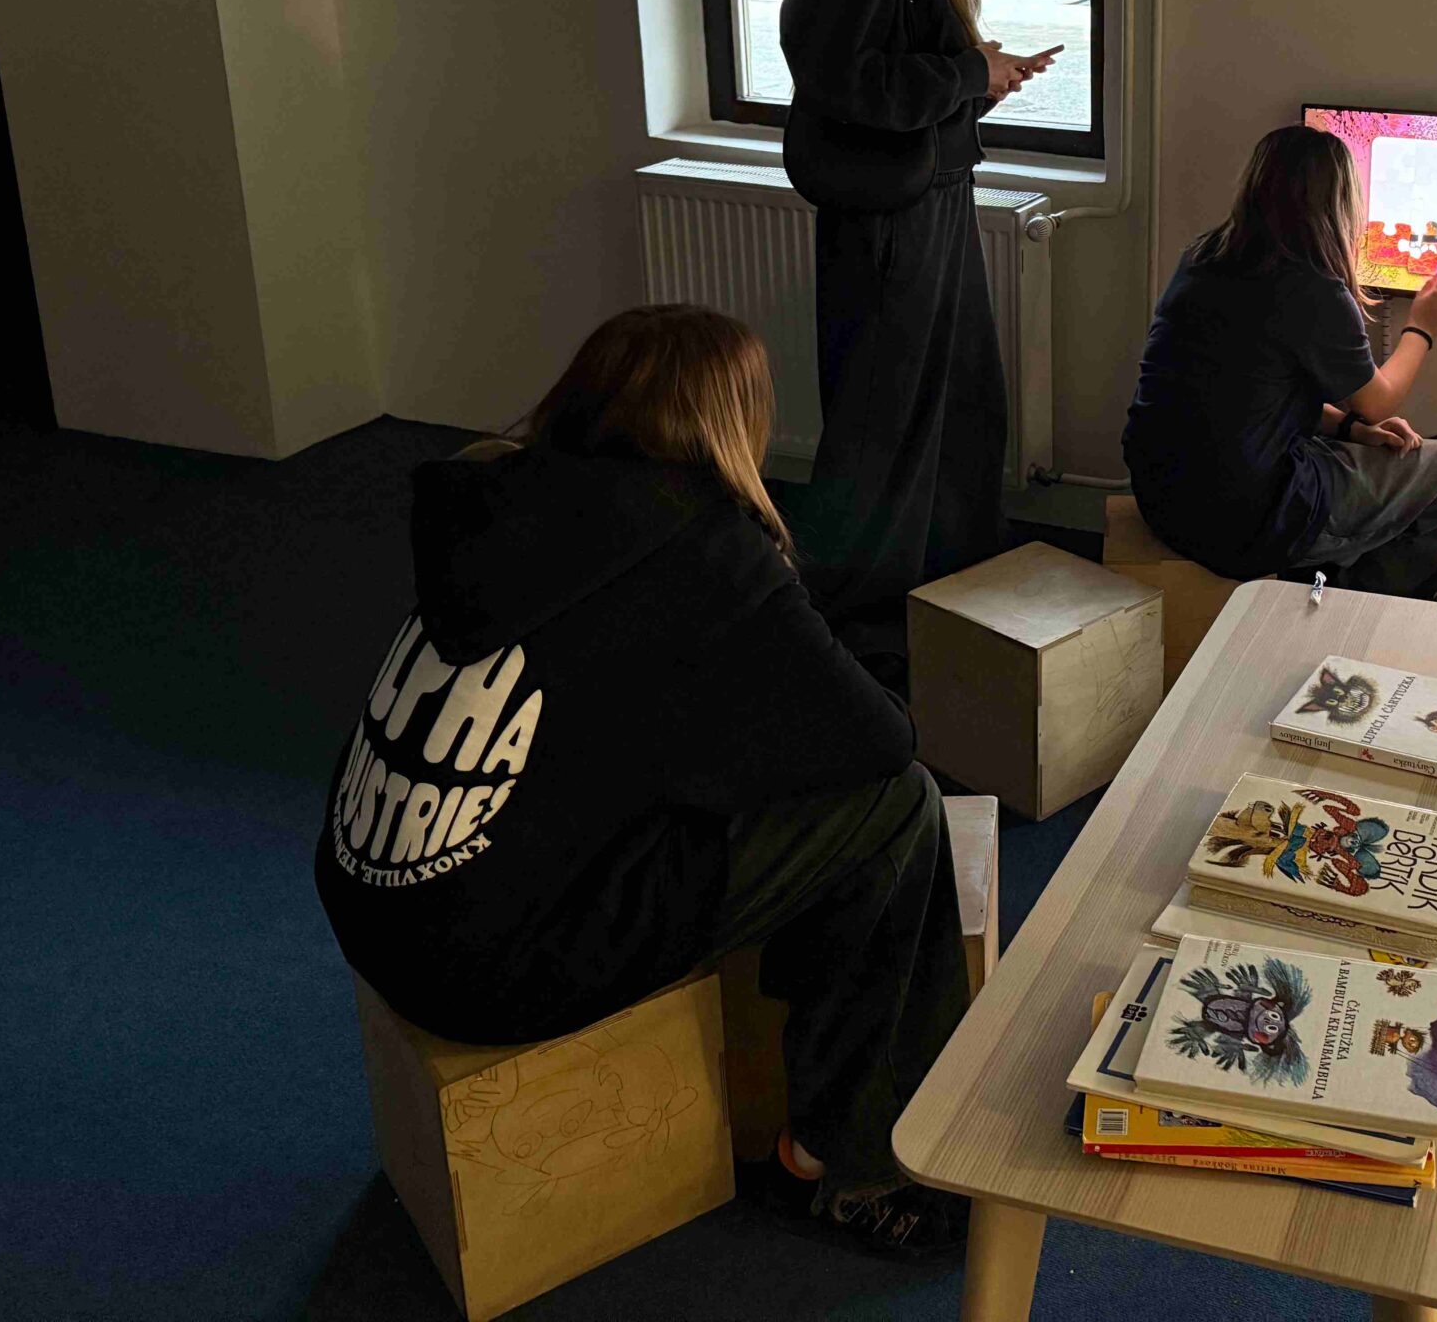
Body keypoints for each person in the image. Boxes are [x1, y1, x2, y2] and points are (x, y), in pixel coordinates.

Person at [311, 305, 971, 1255]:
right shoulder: (702, 549)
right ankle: (849, 1163)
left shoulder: (492, 495)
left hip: (374, 908)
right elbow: (879, 740)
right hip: (488, 971)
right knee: (898, 809)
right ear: (732, 428)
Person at [779, 0, 1058, 672]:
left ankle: (940, 606)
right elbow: (844, 79)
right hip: (892, 217)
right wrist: (970, 75)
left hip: (923, 199)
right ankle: (860, 639)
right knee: (887, 429)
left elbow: (893, 65)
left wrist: (981, 76)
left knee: (954, 411)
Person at [1123, 124, 1437, 594]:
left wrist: (1350, 430)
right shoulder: (1312, 289)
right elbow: (1378, 402)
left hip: (1161, 497)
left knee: (1356, 457)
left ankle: (1325, 568)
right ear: (1340, 205)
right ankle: (1354, 600)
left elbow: (1241, 399)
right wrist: (1423, 327)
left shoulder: (1204, 255)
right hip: (1242, 523)